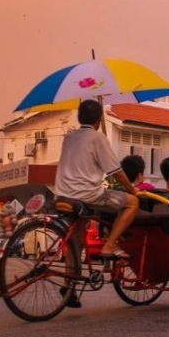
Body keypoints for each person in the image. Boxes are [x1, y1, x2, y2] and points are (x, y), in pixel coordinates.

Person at [56, 100, 140, 264]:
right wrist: (132, 189)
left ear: (79, 117)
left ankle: (70, 284)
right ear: (99, 119)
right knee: (132, 203)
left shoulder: (68, 137)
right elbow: (116, 172)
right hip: (87, 194)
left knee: (75, 240)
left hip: (63, 194)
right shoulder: (97, 137)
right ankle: (109, 245)